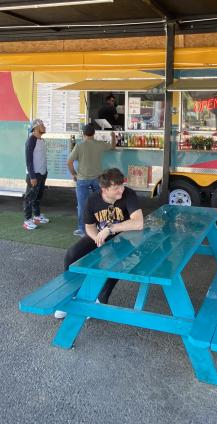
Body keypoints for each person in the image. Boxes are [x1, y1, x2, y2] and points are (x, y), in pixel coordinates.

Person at [55, 168, 143, 318]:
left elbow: (139, 223)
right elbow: (89, 226)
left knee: (115, 260)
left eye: (122, 186)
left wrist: (111, 229)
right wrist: (97, 238)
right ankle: (71, 295)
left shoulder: (129, 194)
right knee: (71, 255)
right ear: (104, 189)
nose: (121, 190)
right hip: (100, 235)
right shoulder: (93, 199)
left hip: (125, 239)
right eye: (116, 188)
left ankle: (100, 300)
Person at [67, 123, 116, 237]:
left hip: (82, 179)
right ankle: (101, 226)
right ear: (94, 133)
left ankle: (82, 230)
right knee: (100, 203)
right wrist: (113, 135)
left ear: (83, 134)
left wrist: (74, 174)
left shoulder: (79, 146)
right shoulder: (99, 144)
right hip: (97, 179)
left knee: (82, 205)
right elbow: (113, 146)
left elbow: (69, 162)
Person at [23, 118, 48, 231]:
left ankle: (37, 216)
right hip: (34, 174)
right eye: (42, 125)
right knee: (30, 197)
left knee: (38, 196)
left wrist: (45, 171)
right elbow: (28, 160)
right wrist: (32, 176)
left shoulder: (42, 140)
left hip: (42, 173)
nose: (44, 127)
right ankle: (27, 220)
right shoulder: (31, 140)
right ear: (36, 128)